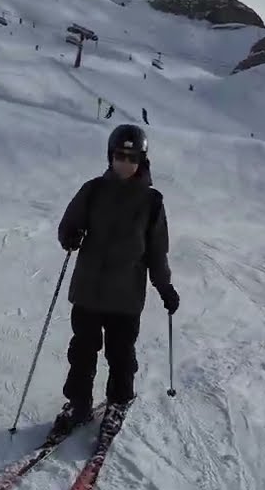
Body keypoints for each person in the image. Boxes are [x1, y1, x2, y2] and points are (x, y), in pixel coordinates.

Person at [53, 124, 179, 428]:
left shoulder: (152, 202)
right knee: (82, 351)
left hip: (125, 296)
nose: (125, 162)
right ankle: (79, 403)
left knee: (120, 354)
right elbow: (68, 223)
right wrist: (70, 236)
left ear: (142, 160)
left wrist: (165, 288)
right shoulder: (93, 190)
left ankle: (118, 402)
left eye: (132, 157)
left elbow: (156, 251)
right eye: (119, 156)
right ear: (110, 156)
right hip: (88, 291)